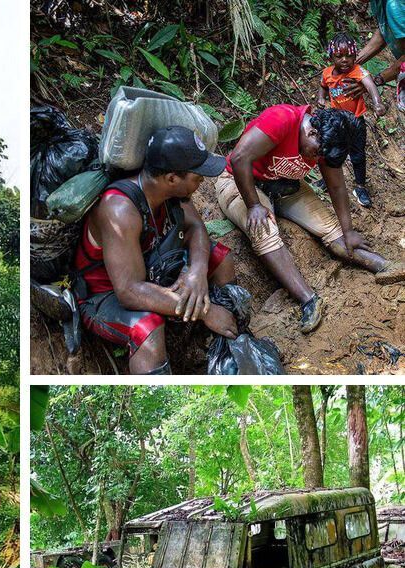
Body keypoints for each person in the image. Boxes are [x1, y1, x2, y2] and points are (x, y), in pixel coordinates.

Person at [217, 105, 405, 334]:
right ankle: (309, 300)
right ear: (312, 132)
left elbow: (336, 187)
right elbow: (239, 158)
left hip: (285, 185)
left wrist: (348, 231)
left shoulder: (326, 141)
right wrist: (254, 205)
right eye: (317, 153)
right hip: (241, 182)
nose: (318, 158)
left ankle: (383, 265)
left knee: (330, 229)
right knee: (264, 231)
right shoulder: (281, 119)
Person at [73, 125, 238, 375]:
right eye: (197, 176)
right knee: (148, 329)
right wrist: (205, 311)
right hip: (106, 294)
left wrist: (196, 272)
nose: (202, 181)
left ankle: (221, 341)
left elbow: (195, 227)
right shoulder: (120, 211)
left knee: (220, 259)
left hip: (154, 266)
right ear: (172, 178)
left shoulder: (171, 192)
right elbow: (129, 291)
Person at [318, 33, 386, 207]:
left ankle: (360, 187)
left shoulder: (357, 71)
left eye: (349, 55)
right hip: (336, 121)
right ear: (331, 56)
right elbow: (323, 86)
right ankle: (327, 179)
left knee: (358, 155)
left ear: (355, 55)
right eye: (339, 56)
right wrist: (321, 98)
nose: (344, 60)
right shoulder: (327, 73)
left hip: (355, 121)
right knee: (331, 151)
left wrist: (377, 103)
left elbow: (370, 85)